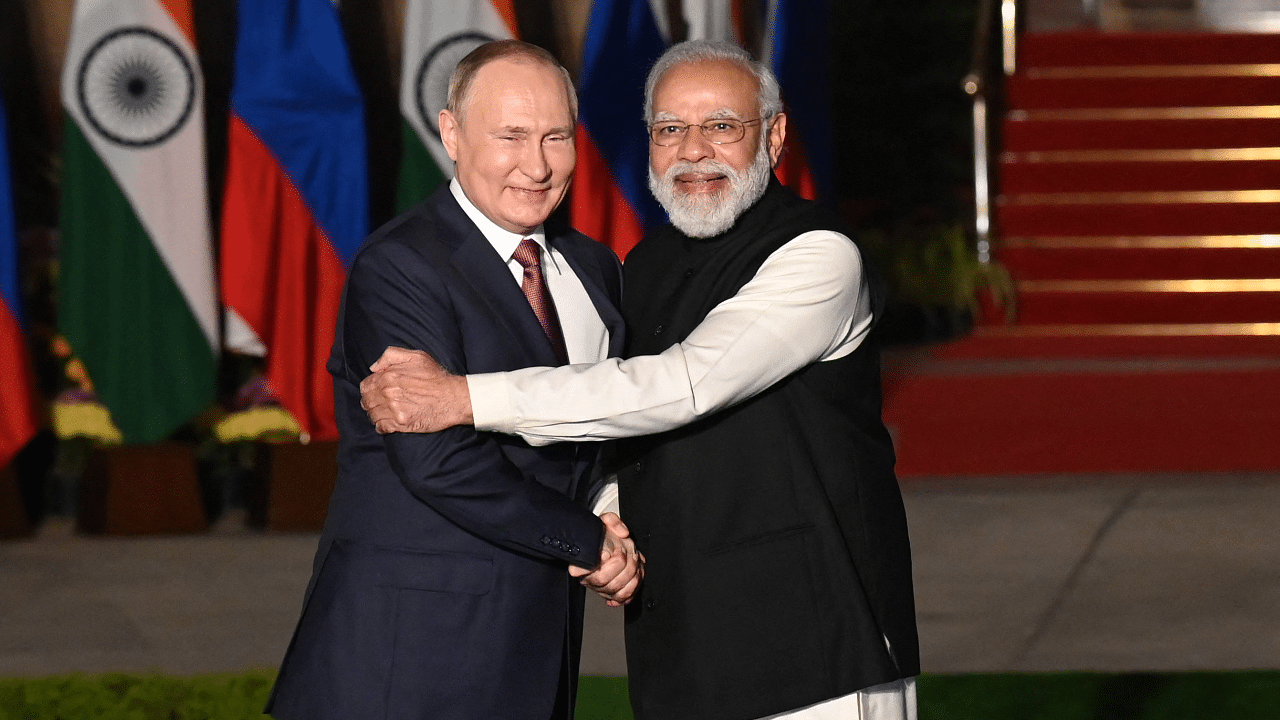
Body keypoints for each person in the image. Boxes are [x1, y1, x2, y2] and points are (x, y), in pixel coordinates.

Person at [360, 40, 919, 720]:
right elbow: (626, 438)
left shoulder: (821, 257)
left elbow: (679, 387)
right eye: (669, 130)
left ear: (772, 137)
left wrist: (461, 397)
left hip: (820, 644)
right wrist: (601, 516)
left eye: (721, 125)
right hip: (684, 639)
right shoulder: (642, 266)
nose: (693, 151)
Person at [266, 40, 642, 720]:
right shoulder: (400, 267)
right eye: (512, 136)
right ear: (450, 134)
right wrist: (590, 544)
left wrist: (610, 503)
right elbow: (437, 461)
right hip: (406, 661)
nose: (537, 164)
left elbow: (597, 425)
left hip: (534, 654)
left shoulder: (595, 269)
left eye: (557, 136)